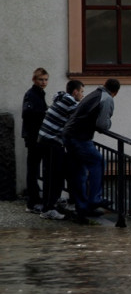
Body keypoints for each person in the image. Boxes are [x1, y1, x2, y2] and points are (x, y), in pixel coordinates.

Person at [63, 78, 120, 221]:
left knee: (79, 171)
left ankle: (82, 207)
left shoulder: (94, 94)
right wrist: (109, 122)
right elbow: (102, 124)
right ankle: (94, 198)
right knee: (98, 162)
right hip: (80, 137)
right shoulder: (107, 98)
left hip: (69, 134)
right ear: (115, 92)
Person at [37, 80, 85, 220]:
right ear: (75, 92)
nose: (82, 95)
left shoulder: (63, 98)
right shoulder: (70, 102)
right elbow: (83, 115)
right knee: (53, 177)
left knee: (56, 174)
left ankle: (53, 204)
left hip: (48, 141)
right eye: (81, 92)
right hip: (51, 141)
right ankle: (48, 209)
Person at [22, 67, 49, 214]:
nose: (44, 82)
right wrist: (45, 113)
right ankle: (32, 201)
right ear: (34, 80)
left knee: (34, 168)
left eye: (45, 79)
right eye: (41, 79)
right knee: (33, 169)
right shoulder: (32, 94)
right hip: (34, 137)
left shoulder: (38, 93)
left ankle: (35, 199)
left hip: (36, 136)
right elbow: (28, 113)